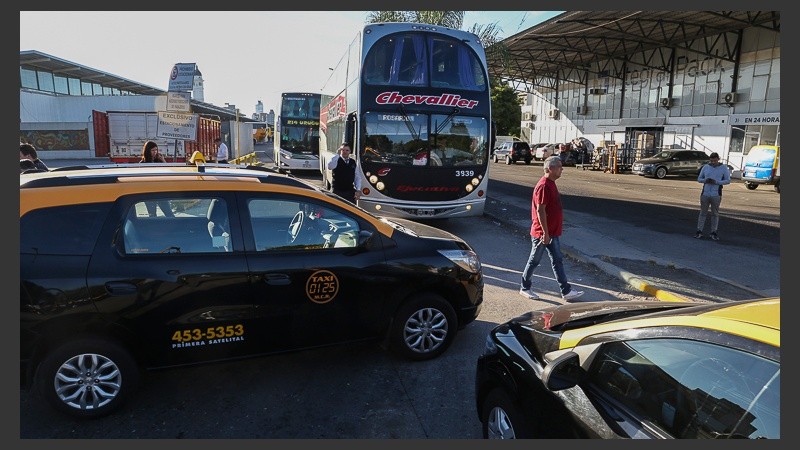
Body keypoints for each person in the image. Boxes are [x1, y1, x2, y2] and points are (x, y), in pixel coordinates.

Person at [519, 155, 584, 301]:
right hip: (542, 233)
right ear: (550, 168)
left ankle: (566, 291)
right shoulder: (543, 186)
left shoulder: (551, 183)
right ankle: (525, 287)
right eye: (560, 167)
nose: (562, 169)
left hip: (551, 232)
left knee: (557, 260)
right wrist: (545, 233)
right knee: (534, 261)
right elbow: (540, 210)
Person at [695, 152, 731, 241]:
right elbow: (699, 179)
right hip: (705, 193)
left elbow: (728, 180)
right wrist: (705, 180)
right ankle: (699, 230)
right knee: (703, 212)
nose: (713, 162)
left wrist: (717, 182)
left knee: (715, 213)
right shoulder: (706, 167)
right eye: (711, 161)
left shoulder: (723, 168)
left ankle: (713, 231)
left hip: (716, 194)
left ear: (718, 159)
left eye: (715, 161)